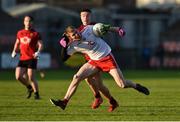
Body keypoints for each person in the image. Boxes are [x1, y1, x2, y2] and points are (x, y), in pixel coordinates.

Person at [50, 25, 150, 111]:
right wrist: (63, 46)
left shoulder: (88, 30)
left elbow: (105, 27)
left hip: (107, 58)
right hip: (94, 62)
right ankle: (64, 102)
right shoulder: (73, 45)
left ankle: (136, 86)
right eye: (74, 35)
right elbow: (63, 58)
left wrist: (118, 29)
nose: (77, 34)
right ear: (70, 38)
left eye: (76, 31)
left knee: (122, 84)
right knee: (76, 77)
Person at [11, 15, 43, 99]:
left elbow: (40, 44)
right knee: (18, 76)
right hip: (22, 58)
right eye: (26, 21)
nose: (27, 23)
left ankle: (37, 94)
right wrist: (14, 51)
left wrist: (38, 52)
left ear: (32, 22)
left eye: (29, 21)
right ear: (24, 22)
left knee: (31, 77)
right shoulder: (20, 33)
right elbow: (17, 43)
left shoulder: (36, 34)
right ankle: (29, 88)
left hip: (32, 58)